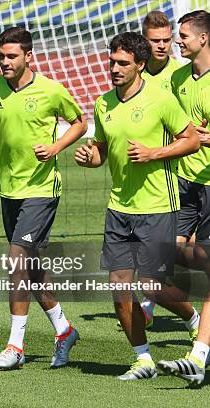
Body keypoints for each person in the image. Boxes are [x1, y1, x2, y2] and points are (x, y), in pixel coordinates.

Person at [74, 32, 199, 381]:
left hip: (158, 205)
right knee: (118, 287)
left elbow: (190, 140)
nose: (114, 68)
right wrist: (90, 156)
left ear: (140, 65)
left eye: (122, 63)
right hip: (119, 207)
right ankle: (142, 359)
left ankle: (193, 319)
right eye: (112, 61)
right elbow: (100, 148)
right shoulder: (103, 104)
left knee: (151, 285)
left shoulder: (161, 100)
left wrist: (153, 154)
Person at [0, 26, 86, 370]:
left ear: (29, 56)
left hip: (41, 188)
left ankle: (15, 346)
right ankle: (64, 329)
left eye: (11, 56)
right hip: (9, 189)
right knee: (31, 271)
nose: (4, 62)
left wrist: (55, 147)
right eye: (1, 56)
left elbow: (79, 123)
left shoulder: (51, 90)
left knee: (17, 259)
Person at [137, 10, 201, 337]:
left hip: (182, 170)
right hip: (154, 172)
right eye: (156, 41)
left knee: (169, 247)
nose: (163, 47)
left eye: (167, 41)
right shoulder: (135, 75)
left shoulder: (182, 73)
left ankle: (153, 305)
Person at [157, 10, 210, 385]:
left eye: (184, 36)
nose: (178, 41)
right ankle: (196, 324)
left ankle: (199, 354)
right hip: (182, 184)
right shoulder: (177, 78)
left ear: (204, 39)